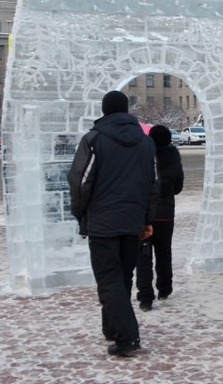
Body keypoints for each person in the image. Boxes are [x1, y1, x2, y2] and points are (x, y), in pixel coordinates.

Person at [68, 90, 159, 357]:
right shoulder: (145, 143)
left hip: (103, 222)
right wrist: (146, 219)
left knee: (109, 280)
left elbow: (80, 182)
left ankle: (126, 337)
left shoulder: (94, 139)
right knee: (122, 277)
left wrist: (80, 212)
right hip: (132, 222)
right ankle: (112, 327)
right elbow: (153, 185)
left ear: (104, 111)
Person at [136, 124, 184, 311]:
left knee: (143, 256)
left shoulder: (144, 158)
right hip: (166, 215)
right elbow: (178, 187)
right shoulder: (174, 158)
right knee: (164, 252)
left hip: (145, 214)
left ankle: (145, 297)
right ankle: (164, 288)